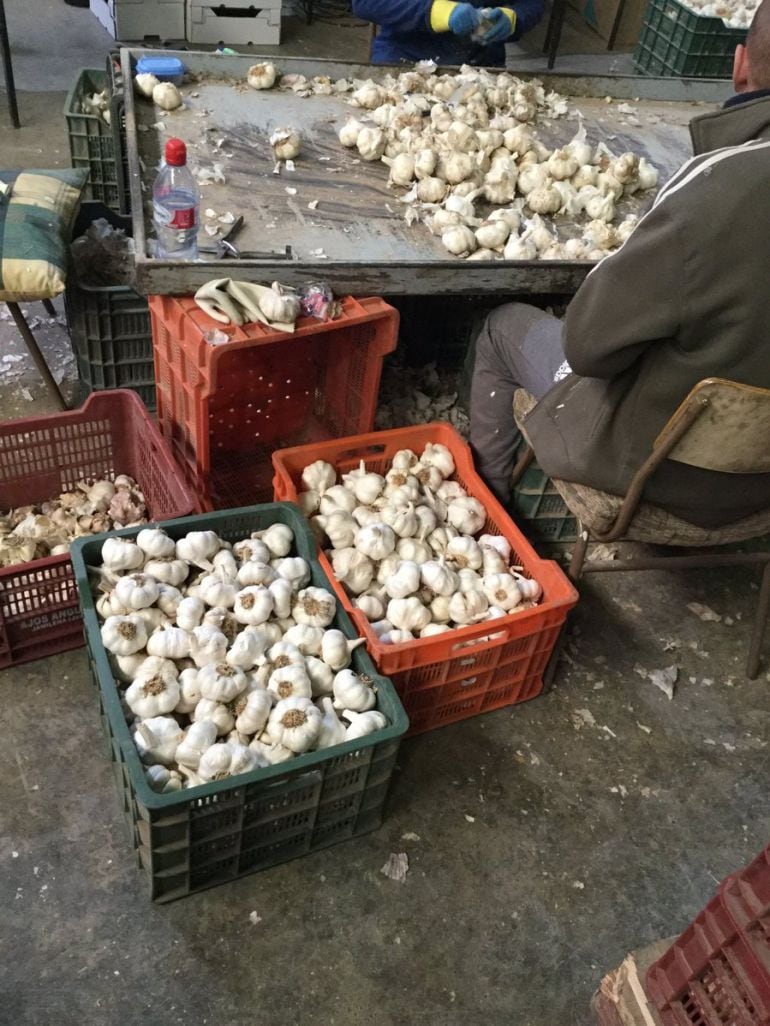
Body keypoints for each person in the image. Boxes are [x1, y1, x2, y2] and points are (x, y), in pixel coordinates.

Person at [470, 0, 770, 530]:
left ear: (739, 64)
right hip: (761, 491)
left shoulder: (719, 190)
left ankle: (490, 515)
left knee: (503, 327)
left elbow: (587, 349)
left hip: (656, 477)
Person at [352, 0, 544, 67]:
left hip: (481, 63)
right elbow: (365, 3)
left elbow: (532, 3)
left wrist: (514, 19)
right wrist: (437, 12)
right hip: (404, 58)